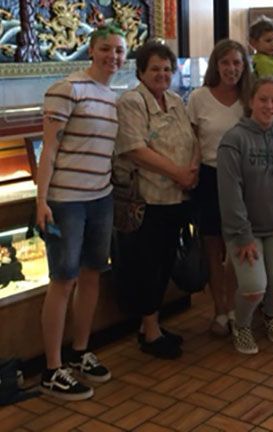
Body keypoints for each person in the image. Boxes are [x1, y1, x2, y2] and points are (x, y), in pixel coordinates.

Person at [36, 24, 126, 401]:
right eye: (106, 49)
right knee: (63, 279)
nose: (113, 57)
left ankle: (80, 352)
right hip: (66, 201)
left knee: (92, 274)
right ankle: (52, 368)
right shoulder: (66, 89)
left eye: (120, 51)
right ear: (91, 50)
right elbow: (50, 150)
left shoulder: (112, 97)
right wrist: (41, 202)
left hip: (100, 198)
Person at [114, 41, 199, 359]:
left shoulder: (176, 100)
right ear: (140, 72)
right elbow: (135, 148)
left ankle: (152, 325)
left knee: (165, 262)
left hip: (177, 197)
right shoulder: (131, 102)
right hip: (147, 201)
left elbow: (192, 137)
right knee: (147, 265)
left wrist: (191, 170)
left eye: (167, 69)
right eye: (155, 69)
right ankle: (149, 332)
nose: (162, 74)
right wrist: (178, 172)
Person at [217, 77, 273, 355]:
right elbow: (230, 192)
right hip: (245, 231)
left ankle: (270, 314)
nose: (269, 106)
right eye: (263, 99)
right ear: (251, 101)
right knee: (254, 287)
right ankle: (241, 324)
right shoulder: (233, 140)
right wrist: (243, 236)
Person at [187, 40, 253, 336]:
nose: (231, 69)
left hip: (243, 180)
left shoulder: (250, 99)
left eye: (237, 63)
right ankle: (220, 310)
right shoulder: (199, 98)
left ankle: (238, 308)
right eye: (225, 63)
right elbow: (192, 142)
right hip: (210, 178)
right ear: (216, 65)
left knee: (238, 247)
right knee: (213, 248)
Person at [249, 15, 273, 86]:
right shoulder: (264, 62)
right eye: (268, 41)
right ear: (254, 42)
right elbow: (269, 85)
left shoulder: (269, 59)